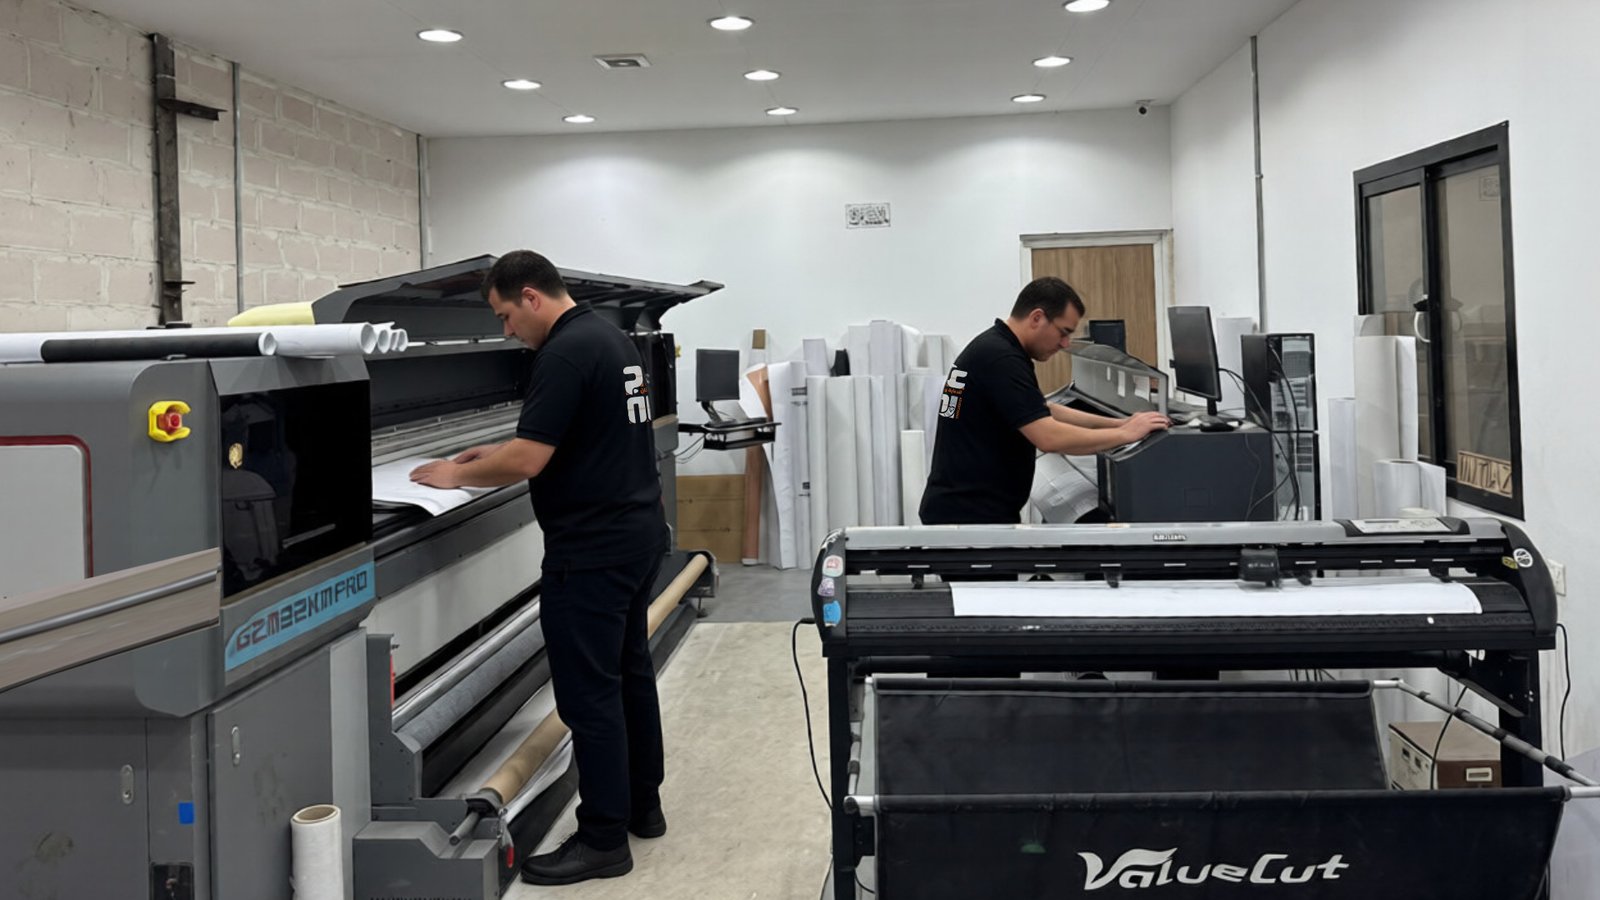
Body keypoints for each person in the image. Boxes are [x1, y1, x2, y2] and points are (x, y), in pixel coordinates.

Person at [410, 250, 668, 886]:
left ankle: (603, 840)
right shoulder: (609, 339)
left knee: (589, 694)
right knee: (630, 675)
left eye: (505, 316)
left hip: (592, 552)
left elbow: (530, 461)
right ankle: (643, 806)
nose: (506, 330)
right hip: (636, 536)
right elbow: (580, 432)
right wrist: (498, 448)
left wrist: (455, 475)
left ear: (531, 297)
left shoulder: (562, 352)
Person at [919, 276, 1169, 526]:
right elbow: (1048, 437)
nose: (1065, 343)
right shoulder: (1001, 359)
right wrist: (1125, 435)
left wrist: (1120, 423)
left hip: (964, 511)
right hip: (970, 520)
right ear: (1037, 317)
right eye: (1063, 331)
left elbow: (1044, 410)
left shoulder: (993, 347)